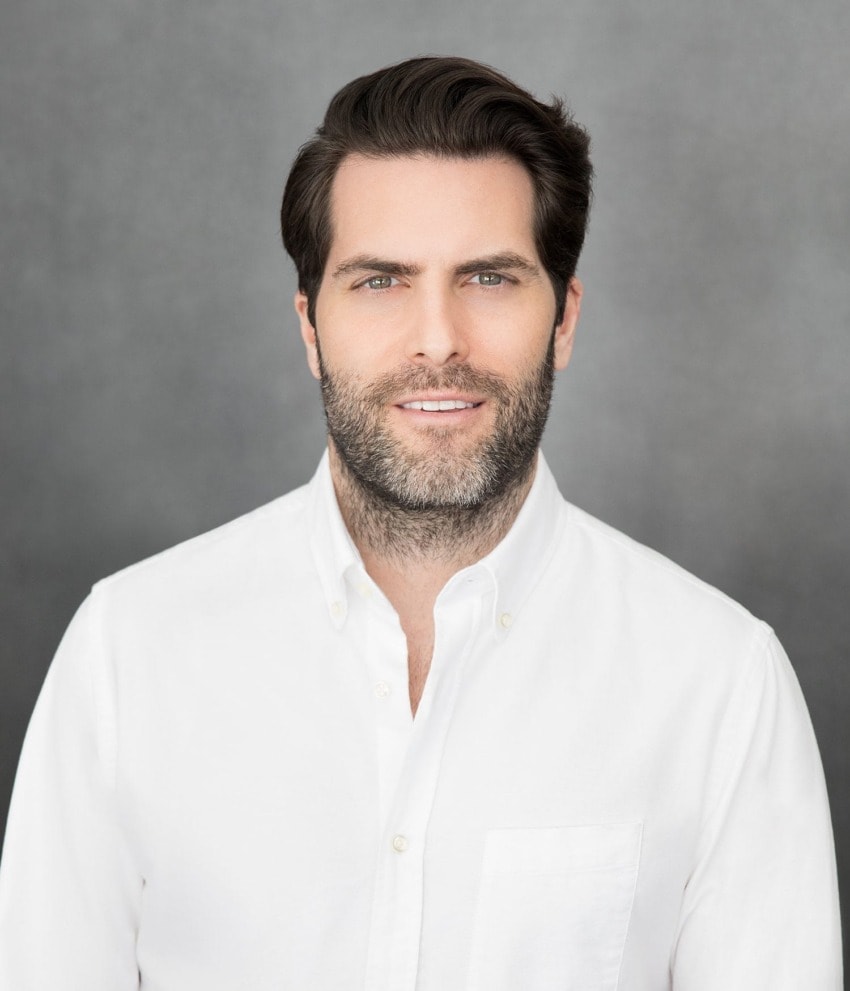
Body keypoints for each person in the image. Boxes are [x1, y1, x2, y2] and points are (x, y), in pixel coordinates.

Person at [0, 55, 841, 989]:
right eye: (379, 281)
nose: (437, 337)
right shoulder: (126, 655)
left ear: (563, 319)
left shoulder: (721, 684)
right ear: (309, 328)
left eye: (487, 278)